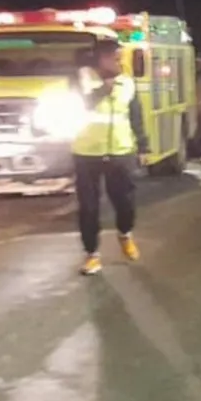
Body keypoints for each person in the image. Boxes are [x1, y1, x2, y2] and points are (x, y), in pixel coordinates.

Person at [72, 38, 149, 275]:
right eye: (113, 57)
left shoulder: (127, 82)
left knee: (125, 202)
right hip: (87, 152)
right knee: (89, 207)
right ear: (99, 58)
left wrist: (143, 146)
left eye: (119, 56)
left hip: (121, 151)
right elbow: (78, 105)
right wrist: (103, 89)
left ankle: (125, 234)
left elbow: (136, 116)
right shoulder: (81, 78)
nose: (118, 61)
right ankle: (92, 255)